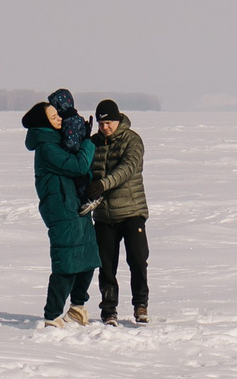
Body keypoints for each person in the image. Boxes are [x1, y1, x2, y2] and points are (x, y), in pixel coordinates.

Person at [21, 90, 99, 327]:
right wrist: (88, 142)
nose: (59, 119)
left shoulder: (58, 140)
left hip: (74, 206)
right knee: (66, 263)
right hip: (61, 209)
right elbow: (78, 166)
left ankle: (77, 307)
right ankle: (52, 315)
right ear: (43, 122)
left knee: (88, 258)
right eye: (53, 116)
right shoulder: (46, 147)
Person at [88, 99, 150, 325]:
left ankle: (140, 305)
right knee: (106, 265)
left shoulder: (132, 140)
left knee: (137, 260)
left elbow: (127, 169)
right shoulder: (93, 143)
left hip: (131, 210)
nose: (105, 127)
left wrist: (102, 185)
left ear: (118, 119)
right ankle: (108, 310)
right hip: (104, 215)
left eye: (109, 123)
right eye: (101, 124)